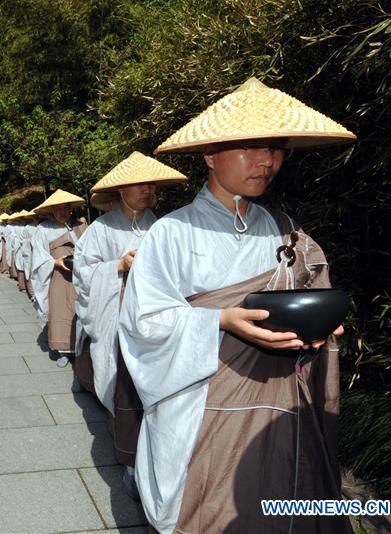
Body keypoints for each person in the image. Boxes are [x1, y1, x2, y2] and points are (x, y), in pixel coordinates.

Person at [118, 78, 356, 533]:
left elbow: (315, 284)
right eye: (250, 147)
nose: (267, 161)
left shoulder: (285, 230)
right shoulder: (173, 232)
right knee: (218, 509)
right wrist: (221, 319)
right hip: (206, 403)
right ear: (209, 155)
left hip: (282, 399)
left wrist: (324, 322)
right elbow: (143, 324)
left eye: (276, 148)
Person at [71, 152, 188, 495]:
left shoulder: (166, 226)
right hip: (119, 317)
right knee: (125, 389)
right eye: (138, 183)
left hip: (159, 320)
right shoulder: (101, 229)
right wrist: (118, 267)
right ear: (121, 190)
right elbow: (84, 272)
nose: (146, 190)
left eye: (151, 184)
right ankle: (131, 462)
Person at [30, 190, 87, 368]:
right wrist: (55, 262)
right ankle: (62, 350)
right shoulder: (44, 229)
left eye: (67, 208)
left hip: (79, 276)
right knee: (60, 310)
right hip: (57, 276)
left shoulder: (79, 227)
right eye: (59, 209)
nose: (63, 212)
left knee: (79, 312)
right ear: (52, 210)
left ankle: (79, 348)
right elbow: (38, 256)